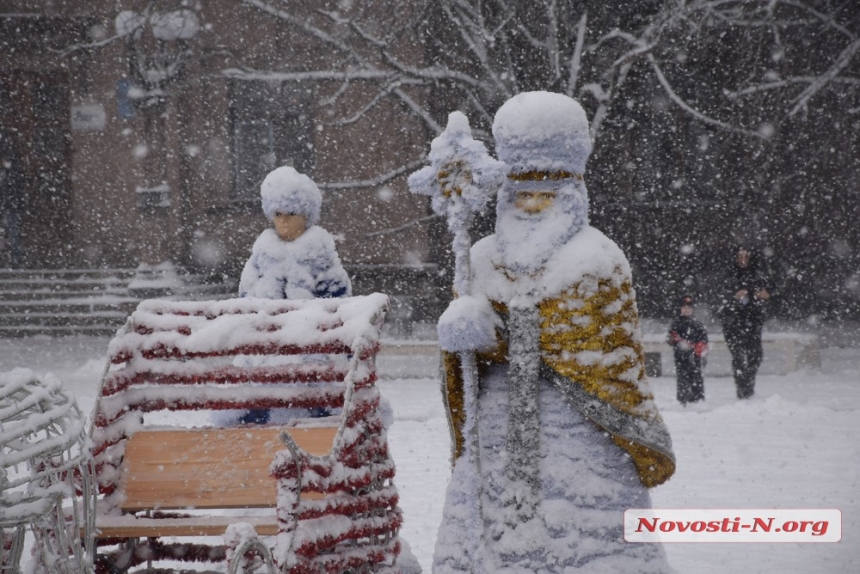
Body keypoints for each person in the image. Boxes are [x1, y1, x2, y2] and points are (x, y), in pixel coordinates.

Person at [433, 92, 675, 573]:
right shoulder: (480, 259)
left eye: (548, 194)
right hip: (499, 428)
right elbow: (467, 366)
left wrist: (500, 334)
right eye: (522, 193)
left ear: (573, 193)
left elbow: (607, 355)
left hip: (578, 432)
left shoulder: (598, 259)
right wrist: (462, 332)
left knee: (583, 539)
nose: (533, 204)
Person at [227, 166, 352, 425]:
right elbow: (244, 308)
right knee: (256, 377)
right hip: (266, 354)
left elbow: (339, 312)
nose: (284, 221)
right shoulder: (261, 258)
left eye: (292, 214)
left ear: (306, 215)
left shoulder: (321, 258)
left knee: (313, 377)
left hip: (312, 352)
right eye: (278, 214)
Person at [718, 245, 773, 399]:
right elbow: (719, 295)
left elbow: (771, 291)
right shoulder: (728, 274)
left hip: (753, 320)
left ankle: (748, 386)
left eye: (746, 256)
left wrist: (766, 296)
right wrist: (734, 297)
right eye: (740, 257)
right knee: (739, 356)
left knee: (755, 355)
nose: (742, 260)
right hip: (732, 321)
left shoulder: (759, 274)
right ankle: (743, 391)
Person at [667, 294, 708, 404]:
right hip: (681, 358)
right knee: (682, 379)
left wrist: (701, 346)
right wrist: (676, 340)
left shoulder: (697, 324)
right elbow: (670, 339)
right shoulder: (676, 323)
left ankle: (698, 400)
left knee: (696, 377)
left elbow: (704, 338)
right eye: (684, 307)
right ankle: (683, 400)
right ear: (680, 309)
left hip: (695, 357)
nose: (686, 310)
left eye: (689, 308)